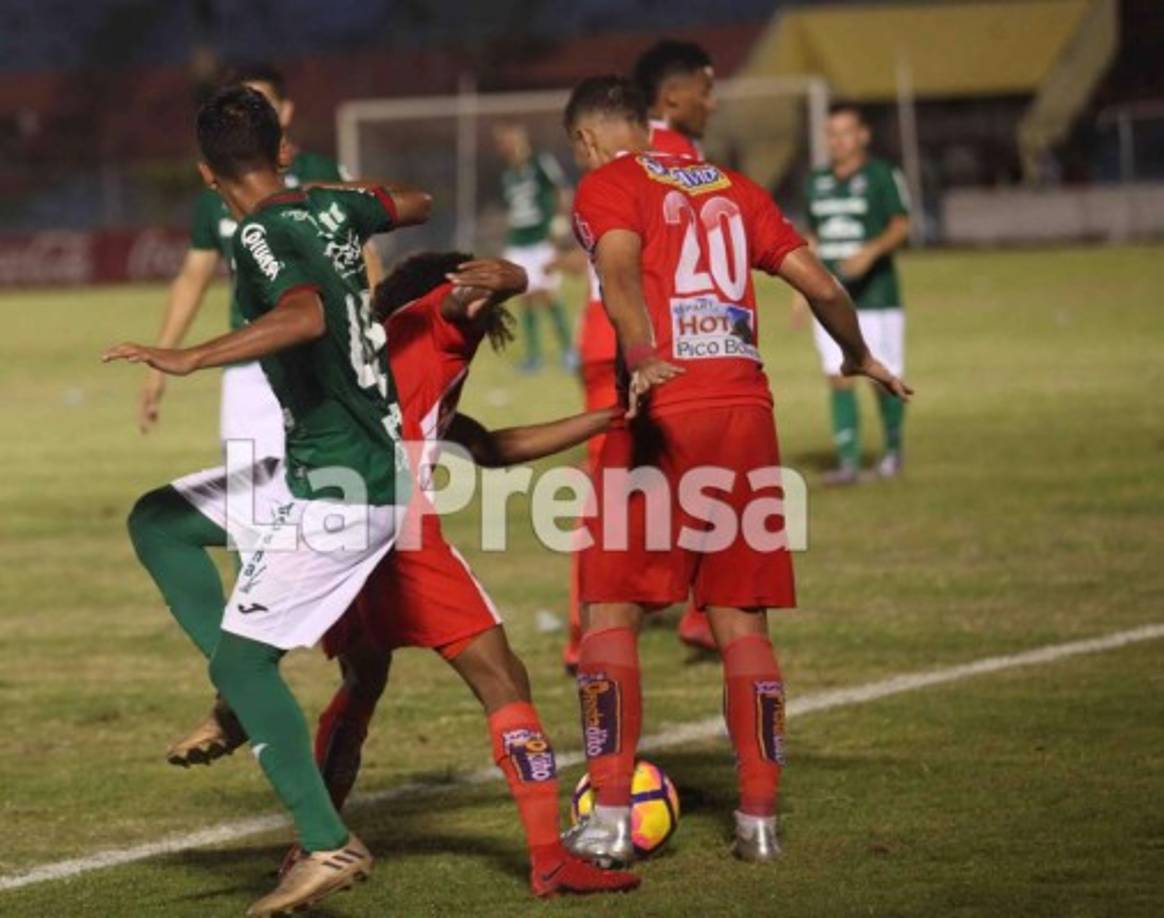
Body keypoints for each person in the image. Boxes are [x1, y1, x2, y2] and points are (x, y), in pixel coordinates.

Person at [169, 252, 640, 899]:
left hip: (334, 530)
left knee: (363, 678)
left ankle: (314, 845)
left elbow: (487, 447)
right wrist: (508, 277)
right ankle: (549, 861)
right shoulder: (435, 325)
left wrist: (608, 416)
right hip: (398, 531)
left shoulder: (379, 358)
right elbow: (481, 292)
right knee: (504, 681)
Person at [560, 76, 911, 867]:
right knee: (741, 620)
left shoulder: (606, 185)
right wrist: (856, 353)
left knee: (610, 608)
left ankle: (610, 816)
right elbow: (819, 282)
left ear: (586, 138)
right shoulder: (732, 185)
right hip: (747, 413)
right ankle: (758, 822)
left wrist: (642, 354)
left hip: (664, 406)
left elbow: (619, 272)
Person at [104, 86, 431, 916]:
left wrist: (192, 355)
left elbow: (306, 314)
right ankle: (240, 703)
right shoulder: (328, 204)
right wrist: (334, 198)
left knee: (247, 661)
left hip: (347, 485)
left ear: (206, 173)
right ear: (280, 150)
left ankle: (327, 843)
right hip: (328, 463)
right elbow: (417, 202)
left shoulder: (253, 232)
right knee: (160, 520)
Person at [561, 40, 719, 669]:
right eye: (706, 89)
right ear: (671, 98)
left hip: (610, 333)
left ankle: (591, 625)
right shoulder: (672, 153)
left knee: (620, 485)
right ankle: (702, 613)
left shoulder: (608, 160)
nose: (711, 103)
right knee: (698, 472)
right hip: (653, 336)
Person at [137, 61, 382, 462]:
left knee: (331, 485)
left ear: (285, 112)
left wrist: (374, 336)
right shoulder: (216, 193)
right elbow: (192, 279)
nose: (247, 118)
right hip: (249, 365)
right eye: (238, 110)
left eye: (259, 105)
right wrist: (158, 365)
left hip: (325, 360)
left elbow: (366, 258)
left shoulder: (322, 175)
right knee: (247, 493)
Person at [796, 104, 912, 483]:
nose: (838, 141)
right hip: (830, 296)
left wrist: (870, 253)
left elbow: (901, 225)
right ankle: (848, 462)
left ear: (863, 135)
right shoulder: (816, 181)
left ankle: (893, 452)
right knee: (837, 374)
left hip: (878, 296)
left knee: (882, 377)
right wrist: (801, 289)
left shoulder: (882, 175)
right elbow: (812, 236)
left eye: (845, 132)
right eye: (831, 133)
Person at [493, 122, 575, 372]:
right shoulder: (507, 174)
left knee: (548, 295)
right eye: (502, 143)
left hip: (542, 239)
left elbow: (562, 191)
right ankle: (533, 357)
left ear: (521, 139)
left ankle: (569, 351)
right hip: (518, 242)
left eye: (510, 140)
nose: (506, 146)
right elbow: (514, 209)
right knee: (526, 297)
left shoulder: (540, 162)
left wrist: (560, 223)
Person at [632, 39, 717, 158]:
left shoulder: (628, 140)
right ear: (672, 96)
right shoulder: (675, 151)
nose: (712, 106)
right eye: (704, 93)